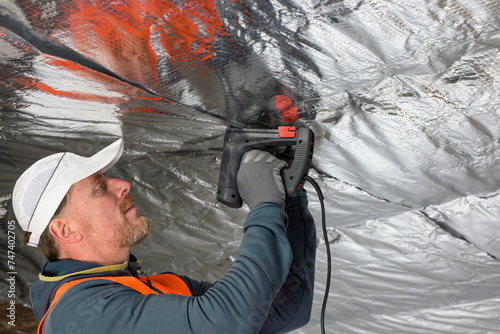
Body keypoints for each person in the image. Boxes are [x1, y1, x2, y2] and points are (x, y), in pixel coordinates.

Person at [12, 138, 316, 333]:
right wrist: (265, 206)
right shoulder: (77, 318)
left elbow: (284, 311)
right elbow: (224, 321)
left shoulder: (160, 288)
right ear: (65, 230)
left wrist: (286, 201)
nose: (123, 185)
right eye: (100, 188)